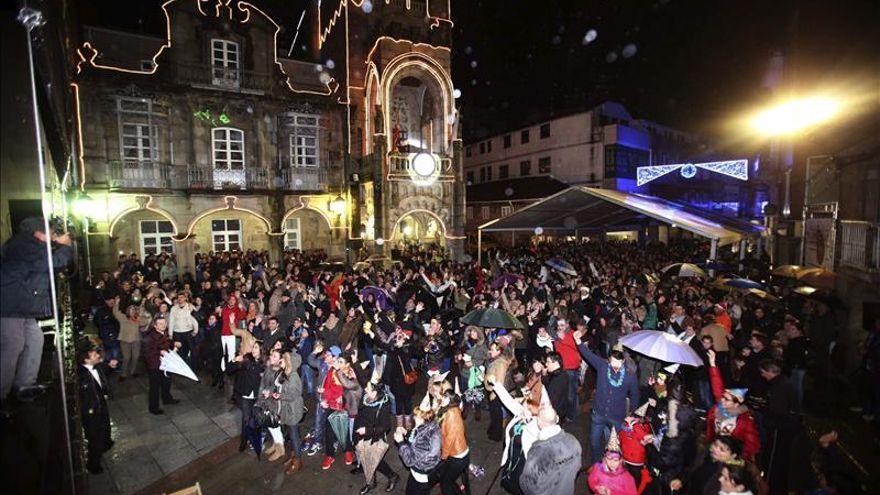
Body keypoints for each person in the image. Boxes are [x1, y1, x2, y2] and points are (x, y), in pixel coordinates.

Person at [1, 217, 73, 405]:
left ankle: (25, 384)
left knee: (35, 339)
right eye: (49, 232)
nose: (51, 235)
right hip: (10, 306)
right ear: (38, 232)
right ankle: (2, 395)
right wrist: (64, 247)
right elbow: (50, 262)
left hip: (22, 307)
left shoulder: (29, 245)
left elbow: (44, 257)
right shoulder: (22, 244)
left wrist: (57, 243)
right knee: (13, 346)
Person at [572, 331, 640, 463]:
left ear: (624, 361)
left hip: (617, 417)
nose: (615, 365)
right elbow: (588, 355)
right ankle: (598, 463)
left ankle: (610, 465)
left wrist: (634, 414)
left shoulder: (630, 376)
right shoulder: (602, 366)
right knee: (594, 441)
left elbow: (635, 395)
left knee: (613, 445)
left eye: (618, 362)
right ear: (609, 359)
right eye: (613, 361)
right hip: (598, 413)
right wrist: (578, 342)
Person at [706, 349, 760, 461]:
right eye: (723, 398)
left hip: (728, 457)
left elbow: (752, 444)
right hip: (713, 450)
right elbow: (717, 386)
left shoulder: (745, 422)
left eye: (727, 399)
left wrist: (738, 459)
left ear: (736, 405)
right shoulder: (720, 408)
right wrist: (712, 364)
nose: (723, 400)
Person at [759, 359, 801, 495]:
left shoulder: (779, 388)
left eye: (763, 372)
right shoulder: (784, 383)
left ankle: (769, 485)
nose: (762, 375)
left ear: (771, 372)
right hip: (786, 427)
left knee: (774, 457)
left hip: (780, 428)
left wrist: (768, 419)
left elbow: (778, 411)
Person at [521, 407, 583, 495]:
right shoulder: (573, 441)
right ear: (557, 418)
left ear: (539, 422)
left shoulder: (538, 451)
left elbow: (527, 484)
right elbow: (577, 467)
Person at [353, 380, 400, 494]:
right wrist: (355, 362)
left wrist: (367, 430)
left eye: (368, 389)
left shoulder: (383, 405)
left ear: (374, 393)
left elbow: (385, 427)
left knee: (375, 461)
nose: (365, 390)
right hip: (360, 435)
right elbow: (361, 376)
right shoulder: (367, 397)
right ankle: (371, 482)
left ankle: (392, 476)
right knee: (367, 459)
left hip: (372, 437)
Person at [77, 345, 118, 474]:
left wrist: (111, 366)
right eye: (94, 356)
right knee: (94, 437)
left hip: (101, 404)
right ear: (87, 361)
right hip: (91, 410)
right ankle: (93, 465)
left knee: (105, 425)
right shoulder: (81, 376)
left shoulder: (97, 366)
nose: (98, 356)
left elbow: (104, 372)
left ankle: (106, 443)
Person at [394, 406, 441, 495]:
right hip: (416, 473)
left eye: (416, 416)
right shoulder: (427, 426)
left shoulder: (425, 438)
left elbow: (409, 460)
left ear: (424, 418)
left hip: (420, 475)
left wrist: (400, 442)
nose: (414, 417)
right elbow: (415, 440)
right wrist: (406, 433)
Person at [227, 341, 263, 452]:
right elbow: (229, 369)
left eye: (256, 348)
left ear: (261, 350)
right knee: (246, 418)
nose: (253, 350)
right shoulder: (246, 359)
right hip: (246, 395)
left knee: (256, 418)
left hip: (258, 395)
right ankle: (244, 441)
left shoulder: (264, 363)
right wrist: (234, 360)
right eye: (253, 347)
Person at [141, 317, 181, 414]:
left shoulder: (165, 332)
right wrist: (159, 352)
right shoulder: (149, 337)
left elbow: (168, 344)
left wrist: (174, 344)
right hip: (155, 366)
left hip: (166, 363)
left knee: (166, 382)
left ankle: (167, 399)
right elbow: (146, 353)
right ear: (155, 325)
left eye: (164, 323)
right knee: (154, 387)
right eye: (160, 324)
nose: (163, 325)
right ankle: (153, 408)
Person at [436, 390, 469, 495]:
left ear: (450, 400)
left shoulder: (451, 414)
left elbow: (450, 439)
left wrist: (443, 456)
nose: (442, 398)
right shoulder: (452, 409)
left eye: (445, 397)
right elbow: (460, 407)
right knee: (447, 479)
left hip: (457, 455)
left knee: (445, 483)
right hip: (456, 454)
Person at [587, 426, 637, 495]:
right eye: (609, 458)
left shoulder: (626, 477)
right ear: (604, 458)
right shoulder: (597, 468)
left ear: (621, 460)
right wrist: (596, 488)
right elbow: (591, 480)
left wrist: (612, 493)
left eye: (615, 460)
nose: (612, 463)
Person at [110, 296, 150, 380]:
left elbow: (145, 322)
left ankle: (133, 371)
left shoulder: (137, 319)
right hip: (125, 340)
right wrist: (116, 303)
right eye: (131, 309)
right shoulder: (123, 317)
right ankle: (123, 374)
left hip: (136, 340)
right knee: (126, 358)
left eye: (133, 309)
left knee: (135, 357)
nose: (132, 311)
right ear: (127, 311)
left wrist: (140, 315)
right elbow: (115, 312)